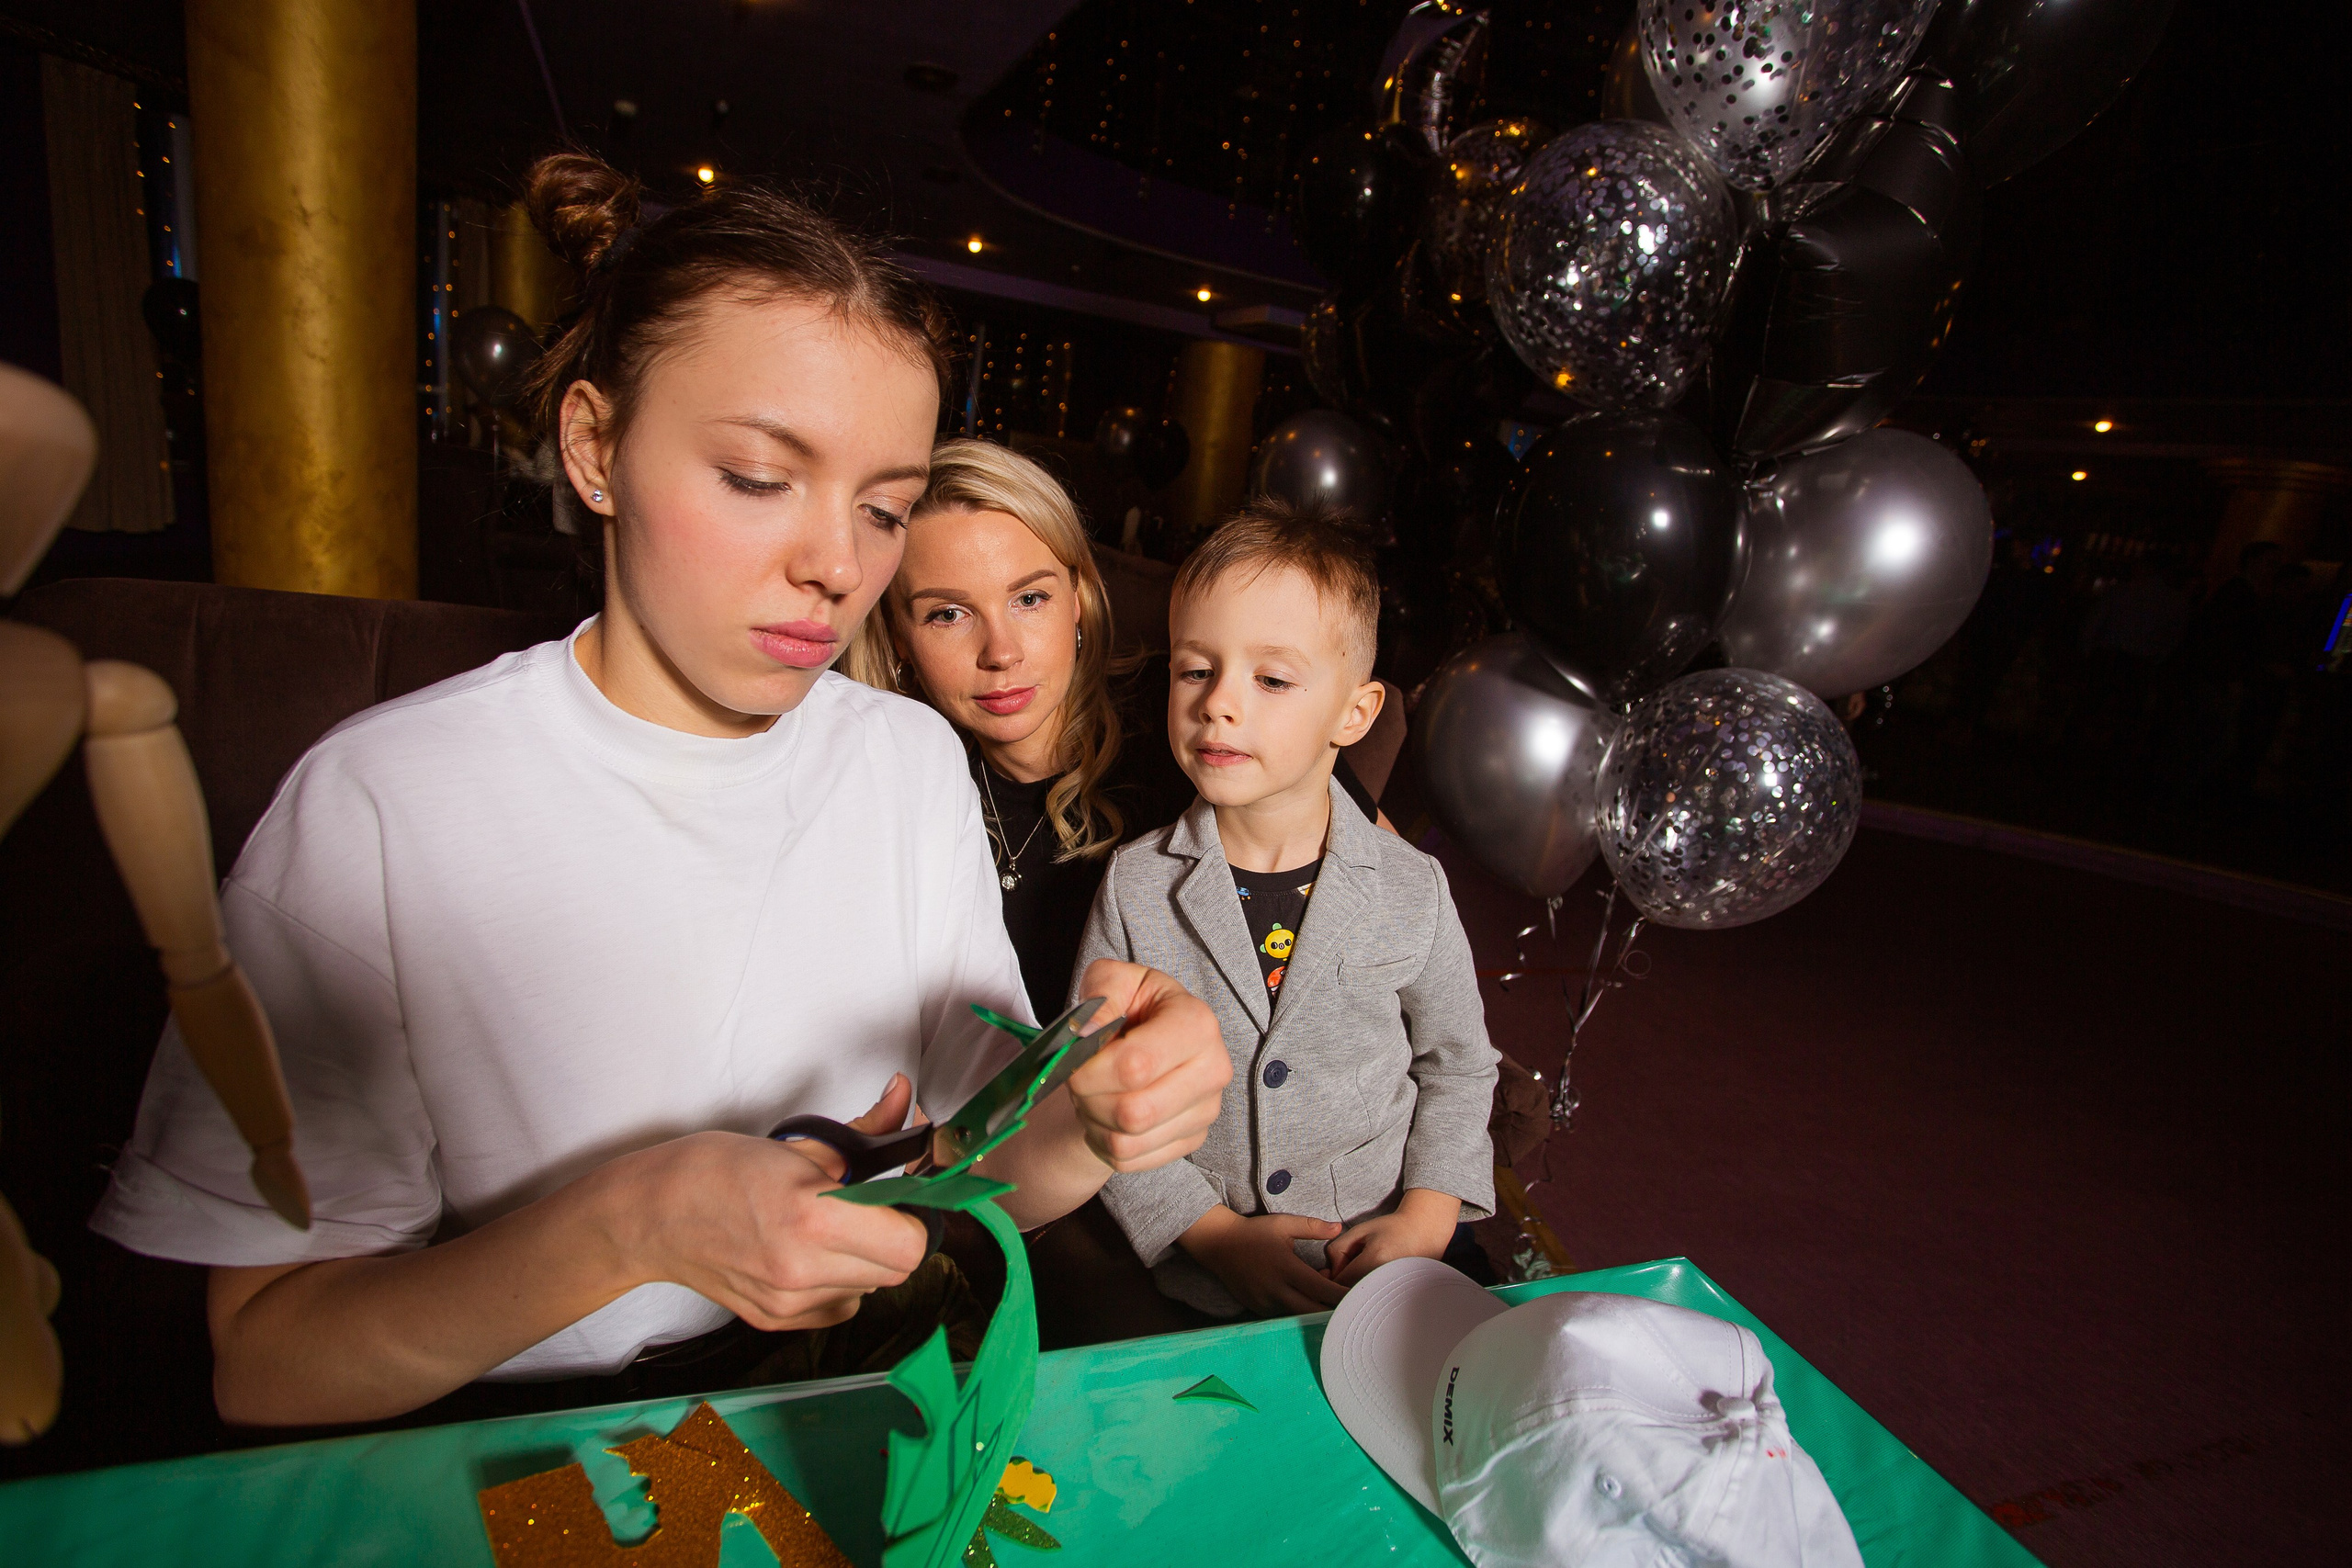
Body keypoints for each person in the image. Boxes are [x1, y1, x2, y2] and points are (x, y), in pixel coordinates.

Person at [87, 152, 1230, 1427]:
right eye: (756, 477)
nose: (836, 564)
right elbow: (264, 1356)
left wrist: (1094, 1113)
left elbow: (971, 1167)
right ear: (595, 447)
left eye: (886, 507)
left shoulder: (906, 762)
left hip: (844, 1396)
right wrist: (630, 1223)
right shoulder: (377, 808)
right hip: (521, 1435)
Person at [1077, 500, 1498, 1318]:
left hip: (1380, 1261)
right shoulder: (1134, 885)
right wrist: (1207, 1231)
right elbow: (1094, 1090)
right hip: (1200, 1278)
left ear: (1356, 712)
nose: (1219, 702)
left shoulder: (1413, 887)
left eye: (1271, 678)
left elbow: (1458, 1064)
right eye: (1196, 669)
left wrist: (1429, 1210)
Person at [842, 438, 1386, 1021]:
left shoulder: (1198, 715)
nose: (1000, 653)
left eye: (1029, 599)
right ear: (899, 636)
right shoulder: (894, 784)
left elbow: (1389, 892)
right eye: (947, 613)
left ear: (1076, 599)